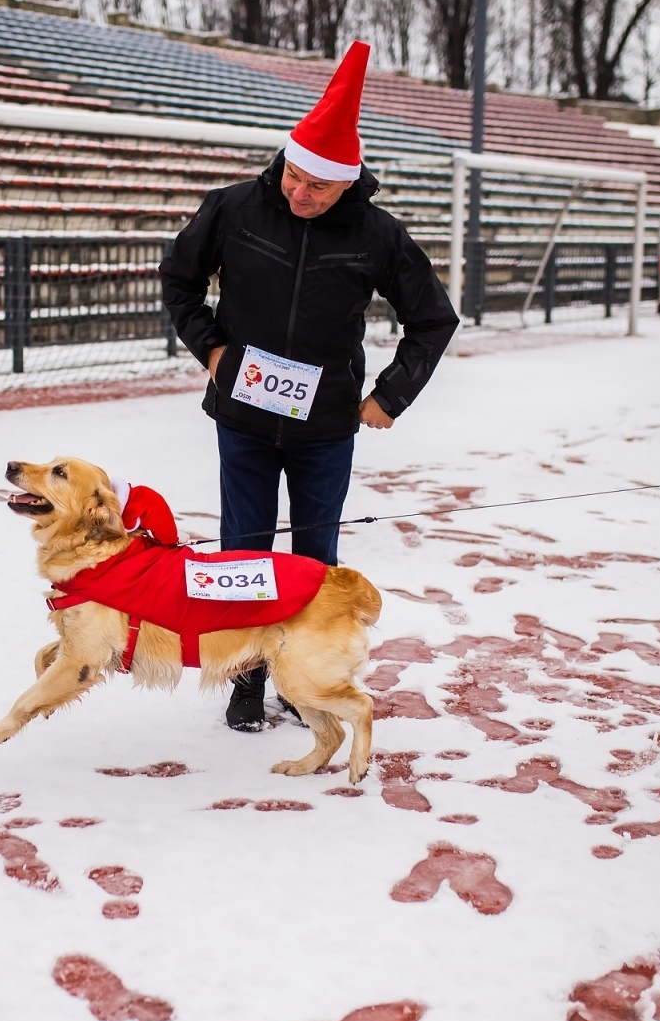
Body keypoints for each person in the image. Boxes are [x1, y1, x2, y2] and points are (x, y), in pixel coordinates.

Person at [161, 41, 459, 731]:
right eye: (294, 177)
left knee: (315, 561)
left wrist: (390, 395)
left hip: (325, 427)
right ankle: (245, 675)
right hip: (243, 415)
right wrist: (210, 347)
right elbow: (178, 278)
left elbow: (433, 319)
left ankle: (306, 680)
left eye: (318, 187)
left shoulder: (377, 234)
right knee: (244, 552)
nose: (300, 192)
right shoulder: (234, 208)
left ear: (346, 184)